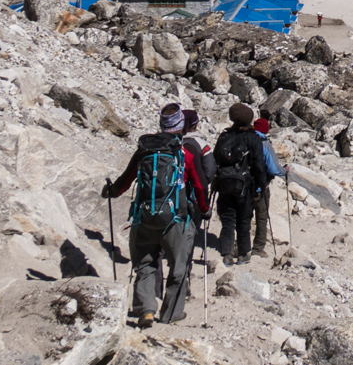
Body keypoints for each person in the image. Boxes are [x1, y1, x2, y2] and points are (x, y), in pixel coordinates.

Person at [102, 105, 209, 328]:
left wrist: (112, 191)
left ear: (161, 124)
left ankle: (146, 309)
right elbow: (200, 185)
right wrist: (205, 209)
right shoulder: (185, 153)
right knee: (177, 266)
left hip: (144, 216)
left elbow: (126, 180)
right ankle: (171, 313)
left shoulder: (144, 151)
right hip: (175, 219)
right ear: (182, 126)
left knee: (145, 263)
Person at [210, 103, 270, 264]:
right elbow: (258, 164)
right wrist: (262, 184)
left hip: (224, 184)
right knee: (244, 219)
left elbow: (215, 159)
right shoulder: (253, 138)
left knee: (227, 219)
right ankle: (244, 253)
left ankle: (227, 254)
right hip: (245, 186)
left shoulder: (224, 137)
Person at [250, 117, 286, 256]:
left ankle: (242, 246)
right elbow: (273, 168)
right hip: (260, 186)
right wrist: (284, 171)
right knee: (262, 217)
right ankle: (258, 248)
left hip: (243, 185)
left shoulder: (245, 139)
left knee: (245, 216)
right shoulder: (264, 143)